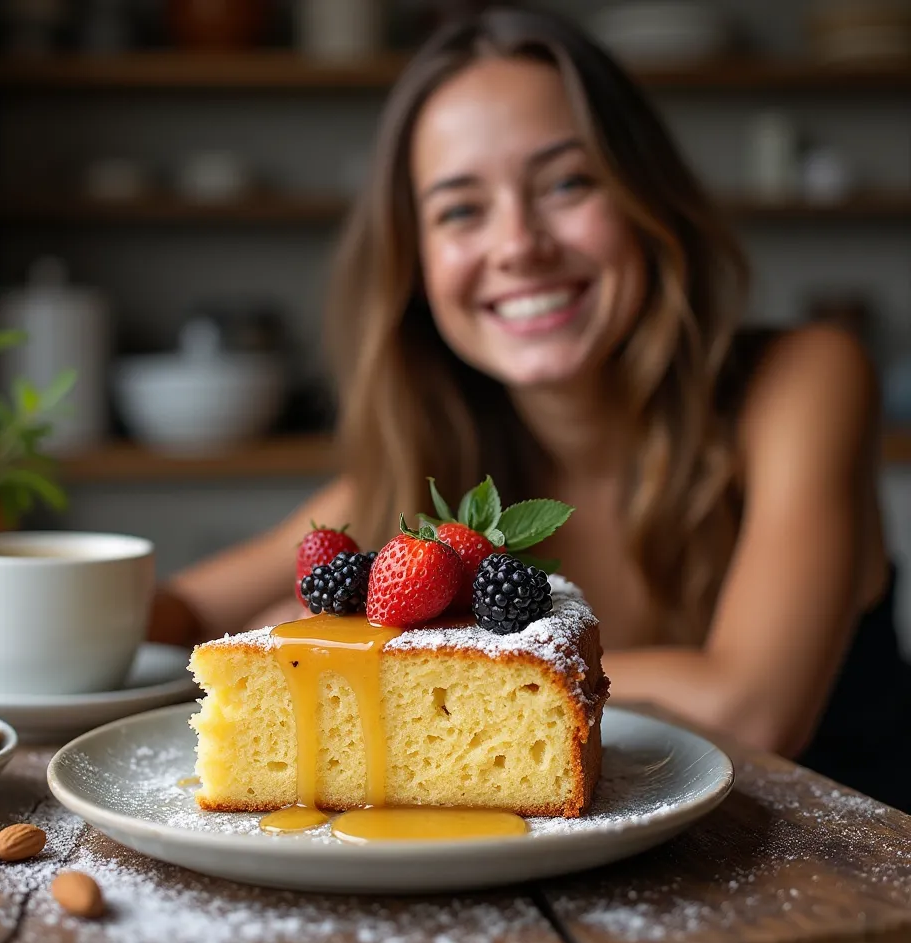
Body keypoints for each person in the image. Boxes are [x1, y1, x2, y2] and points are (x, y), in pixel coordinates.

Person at [149, 6, 911, 811]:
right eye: (461, 209)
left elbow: (751, 706)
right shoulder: (440, 472)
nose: (518, 244)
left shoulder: (805, 378)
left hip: (845, 899)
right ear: (415, 269)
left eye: (567, 183)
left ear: (647, 201)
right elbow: (185, 611)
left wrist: (387, 657)